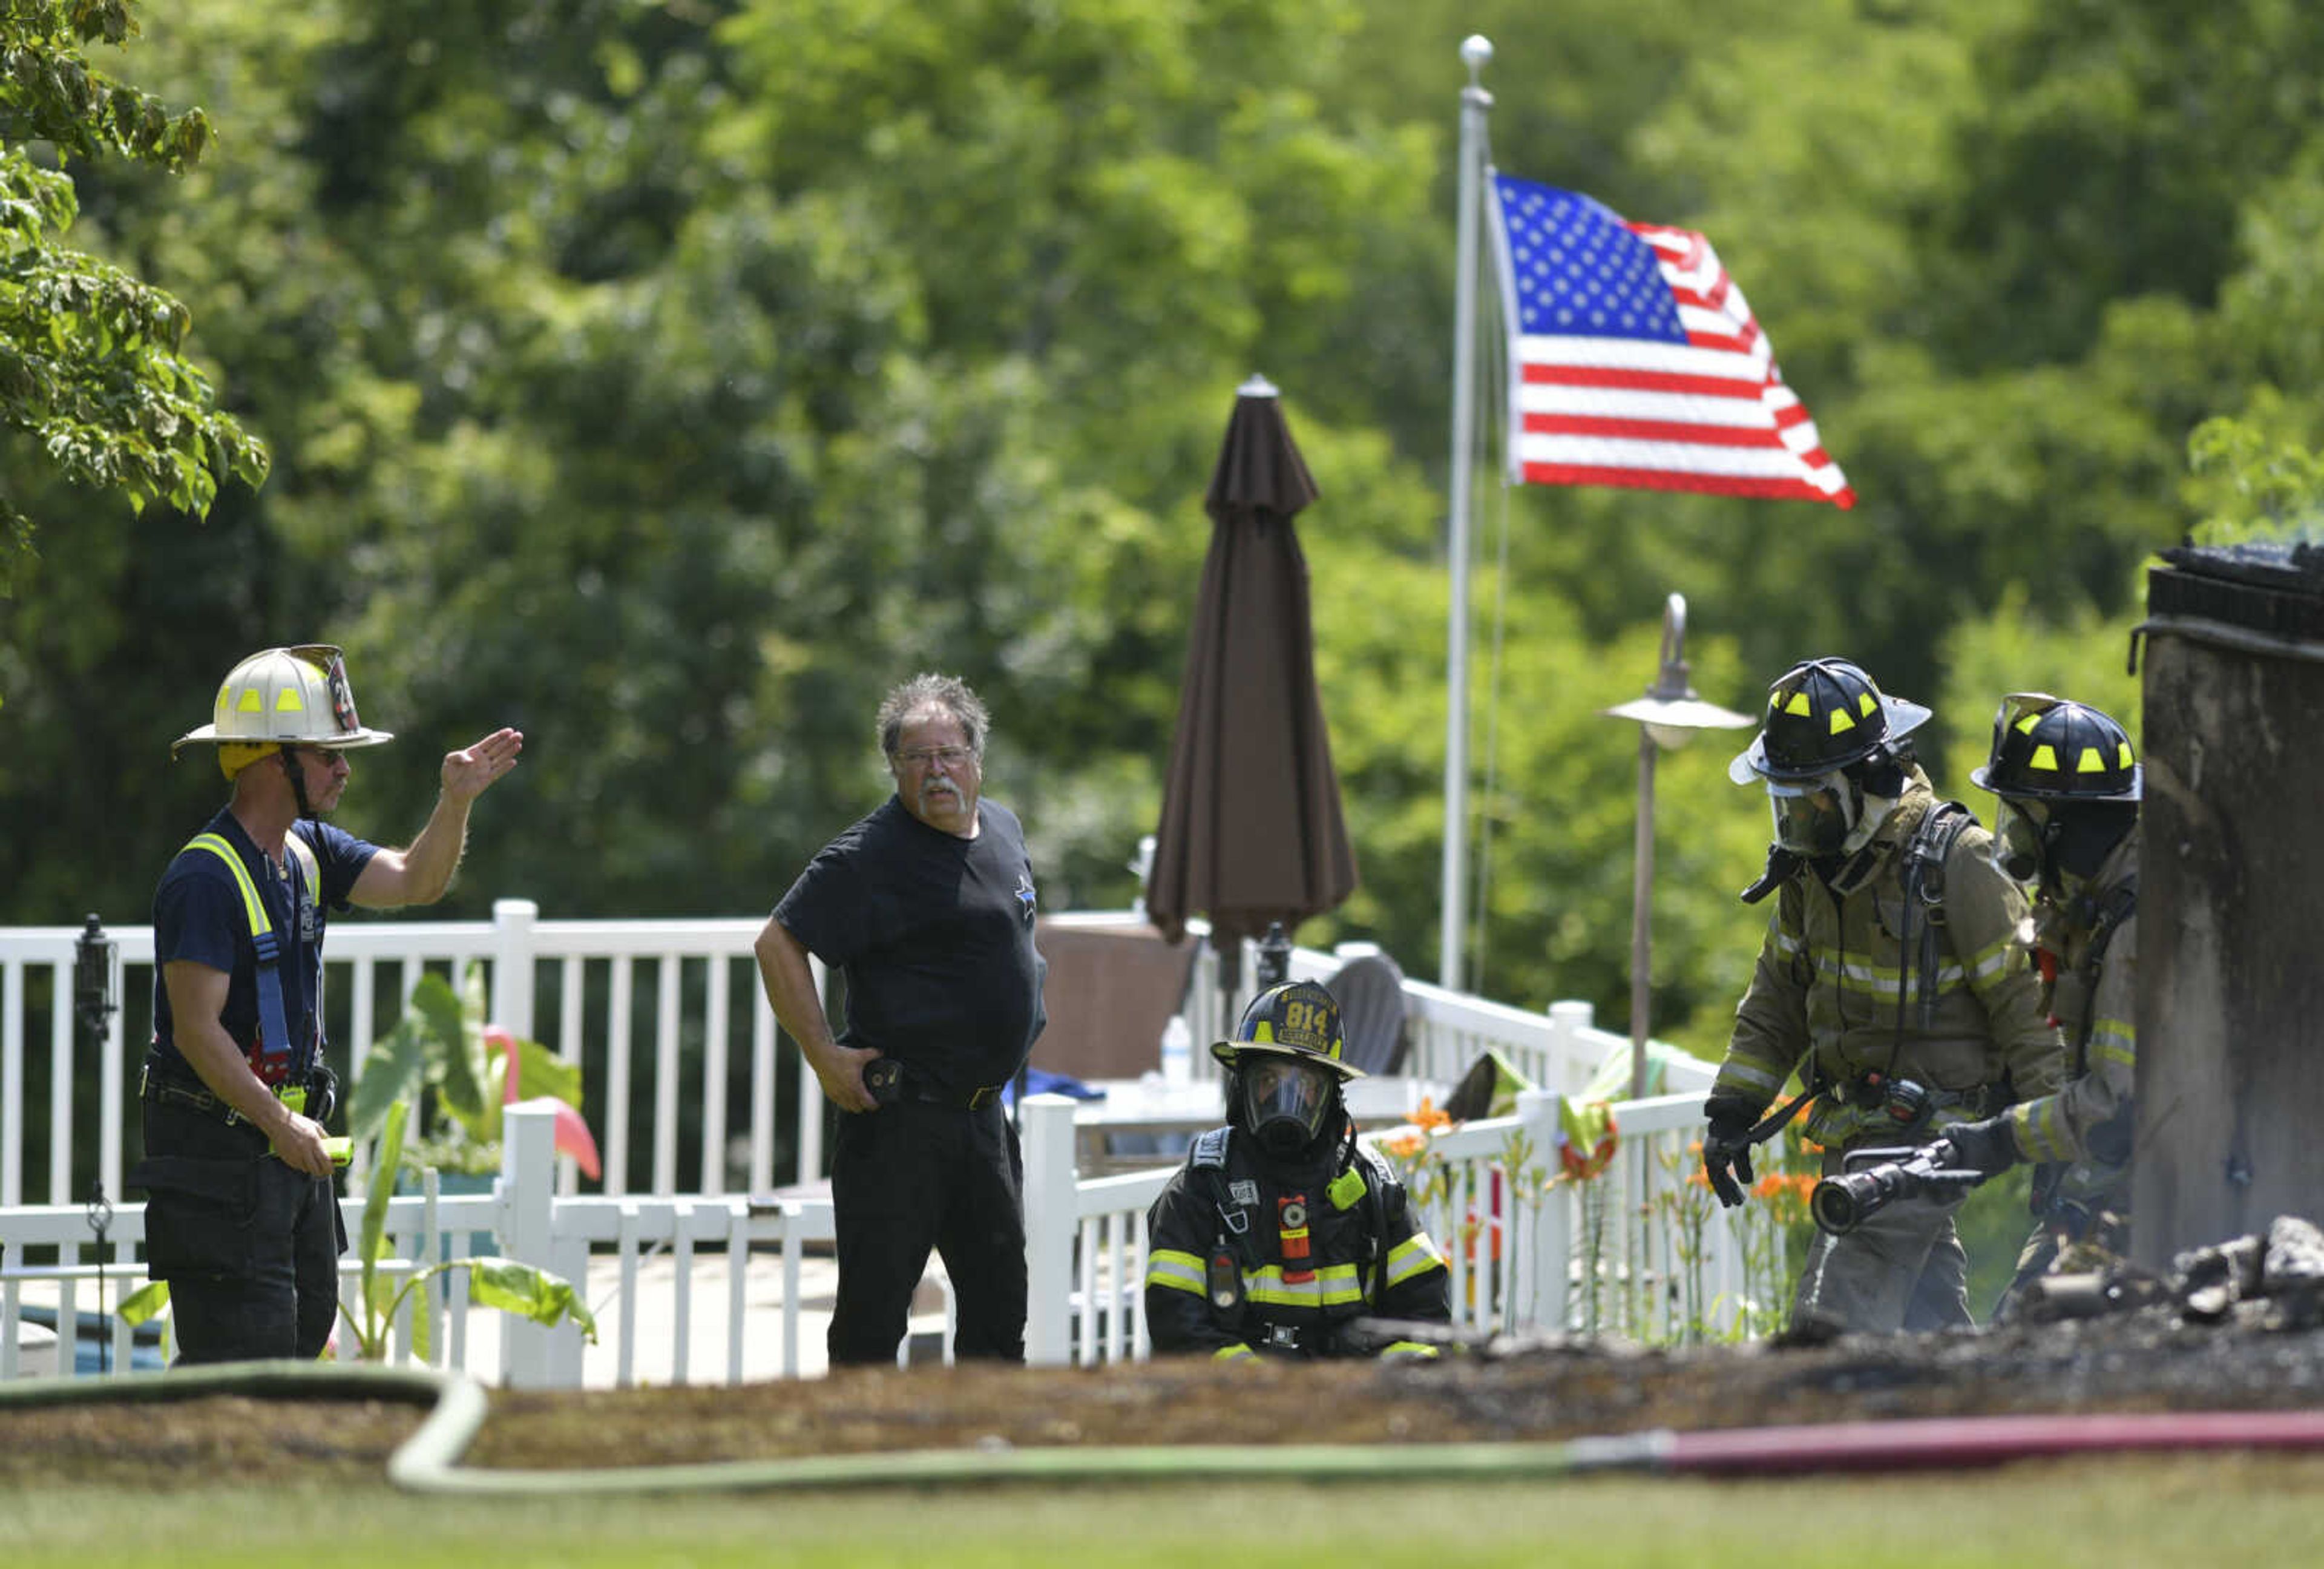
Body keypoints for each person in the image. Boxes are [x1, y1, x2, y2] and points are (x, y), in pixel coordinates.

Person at [131, 644, 524, 1364]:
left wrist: (455, 801)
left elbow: (415, 881)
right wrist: (279, 1121)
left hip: (286, 1148)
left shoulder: (307, 850)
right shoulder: (202, 880)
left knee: (303, 1336)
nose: (344, 768)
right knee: (238, 1364)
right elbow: (195, 1031)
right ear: (267, 760)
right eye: (326, 754)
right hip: (221, 1161)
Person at [1699, 657, 2063, 1335]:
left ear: (1866, 781)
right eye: (1786, 801)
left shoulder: (1960, 859)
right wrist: (1734, 1106)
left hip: (1932, 1137)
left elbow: (2029, 1009)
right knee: (1929, 1329)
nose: (1796, 821)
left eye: (1810, 799)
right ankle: (1964, 1419)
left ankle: (1806, 1423)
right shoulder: (1814, 871)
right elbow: (1777, 995)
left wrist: (2058, 1146)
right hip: (1859, 1133)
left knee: (1829, 1320)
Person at [753, 673, 1047, 1367]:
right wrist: (824, 1054)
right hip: (899, 1122)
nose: (936, 771)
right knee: (873, 1323)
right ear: (895, 769)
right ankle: (859, 1468)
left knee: (1000, 1317)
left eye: (949, 753)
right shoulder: (869, 856)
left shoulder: (1002, 827)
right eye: (917, 758)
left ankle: (984, 1463)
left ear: (977, 757)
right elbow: (777, 944)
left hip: (984, 1120)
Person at [1944, 694, 2141, 1311]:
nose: (2014, 841)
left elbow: (2113, 1105)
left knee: (2023, 1337)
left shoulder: (2137, 926)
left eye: (2023, 822)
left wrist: (2004, 1138)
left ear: (2064, 826)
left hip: (2153, 1203)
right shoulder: (2094, 904)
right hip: (2103, 1188)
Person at [1144, 980, 1449, 1361]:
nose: (1284, 1101)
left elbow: (1428, 1325)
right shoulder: (1202, 1189)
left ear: (1332, 1098)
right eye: (1269, 1080)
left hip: (1357, 1406)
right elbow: (1177, 1331)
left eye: (1305, 1084)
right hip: (1239, 1409)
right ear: (1242, 1088)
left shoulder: (1372, 1189)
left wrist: (1382, 1392)